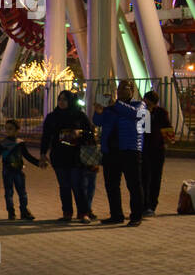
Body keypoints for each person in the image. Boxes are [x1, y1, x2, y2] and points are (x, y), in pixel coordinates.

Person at [93, 79, 146, 225]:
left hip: (130, 150)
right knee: (111, 185)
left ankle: (136, 216)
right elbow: (98, 122)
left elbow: (136, 115)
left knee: (133, 184)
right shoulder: (111, 108)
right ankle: (116, 215)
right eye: (119, 88)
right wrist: (98, 112)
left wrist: (115, 104)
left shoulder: (139, 105)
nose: (120, 91)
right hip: (111, 151)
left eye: (124, 88)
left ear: (132, 91)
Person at [39, 89, 93, 222]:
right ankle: (67, 213)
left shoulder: (79, 115)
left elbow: (90, 132)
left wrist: (78, 133)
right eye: (60, 99)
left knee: (77, 184)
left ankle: (83, 212)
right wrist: (42, 153)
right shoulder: (52, 116)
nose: (62, 102)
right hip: (59, 155)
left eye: (65, 99)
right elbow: (46, 136)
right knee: (64, 185)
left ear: (70, 101)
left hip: (75, 155)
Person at [0, 119, 45, 220]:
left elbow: (27, 156)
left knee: (22, 192)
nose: (8, 131)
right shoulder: (2, 144)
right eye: (6, 129)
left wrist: (38, 163)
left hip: (18, 171)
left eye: (10, 129)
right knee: (9, 192)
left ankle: (24, 211)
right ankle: (11, 212)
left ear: (17, 130)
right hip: (7, 171)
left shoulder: (20, 143)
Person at [142, 90, 173, 216]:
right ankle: (144, 204)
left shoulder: (161, 113)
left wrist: (168, 139)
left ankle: (151, 205)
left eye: (146, 100)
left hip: (157, 150)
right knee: (144, 177)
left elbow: (167, 129)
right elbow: (142, 129)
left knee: (155, 177)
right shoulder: (142, 113)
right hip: (144, 149)